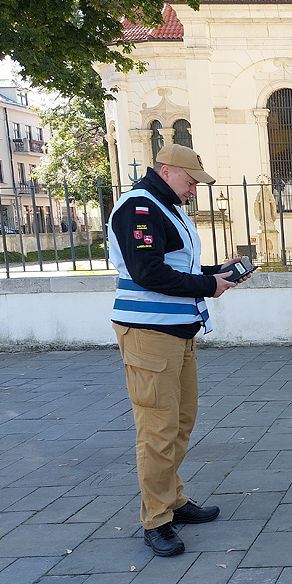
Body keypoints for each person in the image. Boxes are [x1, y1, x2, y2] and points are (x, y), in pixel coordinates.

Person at [108, 143, 249, 557]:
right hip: (149, 333)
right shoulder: (140, 208)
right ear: (166, 170)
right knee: (158, 429)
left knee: (180, 421)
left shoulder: (164, 205)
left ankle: (172, 499)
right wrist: (209, 286)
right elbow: (148, 272)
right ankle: (156, 519)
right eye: (190, 182)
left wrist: (216, 272)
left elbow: (175, 268)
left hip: (174, 331)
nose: (193, 190)